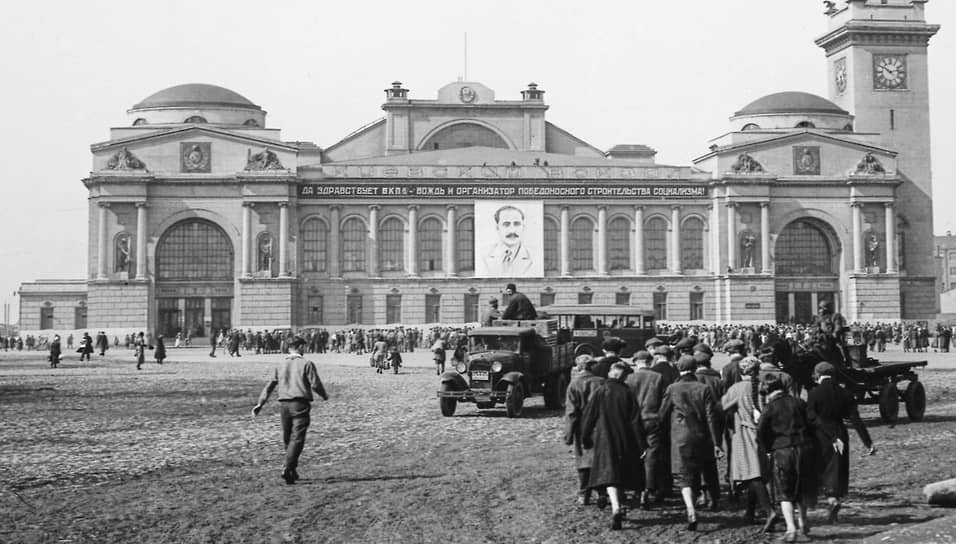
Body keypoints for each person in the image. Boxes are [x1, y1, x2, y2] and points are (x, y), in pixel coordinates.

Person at [252, 336, 329, 485]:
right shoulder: (307, 363)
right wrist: (324, 395)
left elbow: (270, 386)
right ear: (300, 347)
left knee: (288, 438)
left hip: (284, 405)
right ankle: (287, 467)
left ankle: (291, 470)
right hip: (300, 404)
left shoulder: (280, 364)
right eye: (303, 347)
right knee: (298, 438)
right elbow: (315, 384)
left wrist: (260, 403)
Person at [806, 361, 876, 524]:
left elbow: (811, 417)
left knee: (821, 466)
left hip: (820, 434)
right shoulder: (845, 393)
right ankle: (834, 499)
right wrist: (868, 442)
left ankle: (821, 500)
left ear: (817, 374)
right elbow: (855, 419)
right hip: (840, 431)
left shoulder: (814, 393)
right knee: (837, 468)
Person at [581, 362, 647, 530]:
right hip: (626, 439)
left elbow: (589, 417)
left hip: (604, 439)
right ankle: (622, 503)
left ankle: (616, 506)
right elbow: (635, 422)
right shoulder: (628, 393)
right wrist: (642, 445)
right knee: (622, 472)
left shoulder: (600, 391)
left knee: (609, 474)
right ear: (624, 376)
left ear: (611, 374)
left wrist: (585, 437)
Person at [660, 355, 722, 531]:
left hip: (680, 435)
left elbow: (662, 414)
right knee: (704, 468)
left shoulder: (673, 388)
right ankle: (711, 498)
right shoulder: (704, 388)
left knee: (683, 474)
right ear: (695, 369)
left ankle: (690, 508)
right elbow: (711, 417)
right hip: (701, 435)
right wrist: (717, 442)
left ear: (679, 369)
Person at [721, 356, 778, 532]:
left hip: (745, 434)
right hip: (764, 434)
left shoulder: (737, 389)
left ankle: (769, 511)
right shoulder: (764, 386)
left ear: (741, 371)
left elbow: (721, 407)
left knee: (752, 475)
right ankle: (750, 512)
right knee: (757, 471)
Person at [757, 373, 816, 541]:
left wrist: (767, 448)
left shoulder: (770, 408)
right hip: (805, 447)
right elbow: (812, 424)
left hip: (782, 450)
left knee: (785, 491)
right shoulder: (799, 403)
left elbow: (760, 431)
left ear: (767, 391)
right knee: (802, 487)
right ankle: (803, 522)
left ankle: (791, 528)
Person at [625, 349, 666, 509]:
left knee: (636, 454)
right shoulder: (658, 377)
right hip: (653, 420)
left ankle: (637, 488)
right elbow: (664, 400)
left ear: (635, 362)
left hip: (634, 422)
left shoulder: (629, 378)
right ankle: (649, 489)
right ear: (650, 362)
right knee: (652, 456)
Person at [564, 354, 605, 506]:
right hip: (600, 426)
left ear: (579, 367)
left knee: (582, 460)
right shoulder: (601, 382)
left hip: (581, 427)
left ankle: (584, 494)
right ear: (592, 366)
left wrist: (568, 434)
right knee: (599, 459)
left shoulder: (574, 385)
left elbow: (571, 412)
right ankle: (602, 491)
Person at [481, 205, 534, 276]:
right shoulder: (483, 255)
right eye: (506, 224)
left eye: (517, 224)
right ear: (497, 228)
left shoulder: (535, 256)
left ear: (523, 227)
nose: (512, 230)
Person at [814, 300, 847, 366]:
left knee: (838, 347)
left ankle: (844, 360)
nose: (820, 310)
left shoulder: (835, 316)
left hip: (833, 339)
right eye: (819, 308)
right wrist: (816, 333)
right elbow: (816, 328)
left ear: (826, 309)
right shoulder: (819, 318)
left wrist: (834, 334)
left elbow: (838, 327)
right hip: (822, 338)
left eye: (821, 308)